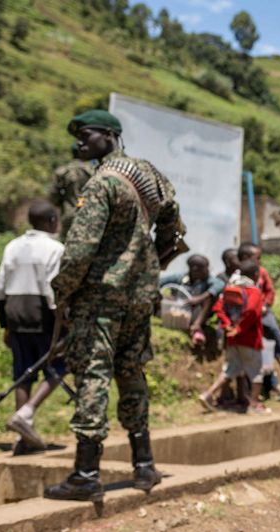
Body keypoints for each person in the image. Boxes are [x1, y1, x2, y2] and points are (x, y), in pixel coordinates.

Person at [45, 109, 186, 501]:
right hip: (140, 297)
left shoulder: (103, 182)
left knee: (94, 375)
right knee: (131, 374)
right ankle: (144, 465)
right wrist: (150, 264)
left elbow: (79, 249)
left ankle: (86, 474)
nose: (79, 143)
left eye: (86, 136)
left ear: (109, 136)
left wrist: (63, 291)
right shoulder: (153, 177)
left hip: (102, 296)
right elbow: (175, 230)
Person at [0, 200, 66, 454]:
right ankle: (26, 414)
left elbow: (0, 288)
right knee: (59, 364)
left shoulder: (13, 246)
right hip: (42, 315)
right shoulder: (55, 249)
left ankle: (25, 437)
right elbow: (53, 289)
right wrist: (62, 323)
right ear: (51, 222)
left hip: (15, 313)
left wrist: (5, 324)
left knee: (23, 373)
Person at [200, 260, 270, 414]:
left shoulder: (231, 287)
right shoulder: (254, 291)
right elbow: (252, 311)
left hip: (232, 338)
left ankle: (208, 394)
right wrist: (239, 329)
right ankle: (254, 404)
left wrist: (228, 326)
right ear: (256, 274)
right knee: (256, 372)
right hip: (250, 338)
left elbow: (218, 308)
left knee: (229, 369)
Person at [237, 241, 280, 396]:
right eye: (257, 258)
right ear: (245, 257)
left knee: (274, 332)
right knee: (257, 351)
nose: (260, 261)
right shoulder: (238, 275)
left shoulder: (262, 272)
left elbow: (270, 291)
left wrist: (265, 306)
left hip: (263, 313)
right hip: (248, 317)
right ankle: (266, 386)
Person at [159, 254, 225, 348]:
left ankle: (197, 326)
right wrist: (166, 297)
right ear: (194, 269)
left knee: (210, 297)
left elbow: (219, 285)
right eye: (203, 268)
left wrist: (199, 298)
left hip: (197, 312)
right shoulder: (181, 277)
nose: (207, 270)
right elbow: (158, 282)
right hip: (177, 310)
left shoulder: (208, 280)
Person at [49, 144, 95, 242]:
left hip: (69, 213)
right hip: (90, 213)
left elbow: (53, 195)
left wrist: (60, 203)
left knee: (66, 243)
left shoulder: (62, 171)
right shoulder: (93, 170)